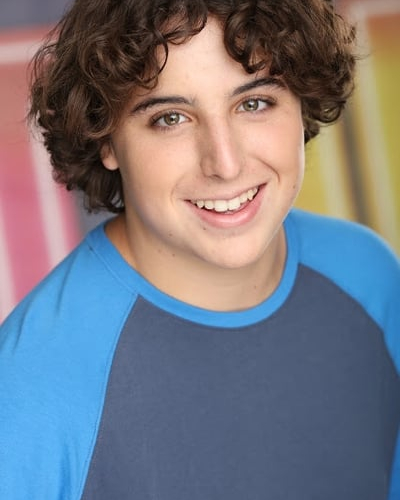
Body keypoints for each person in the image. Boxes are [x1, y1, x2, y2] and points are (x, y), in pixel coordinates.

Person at [0, 0, 399, 498]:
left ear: (302, 101)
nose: (225, 164)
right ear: (106, 138)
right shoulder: (30, 386)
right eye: (171, 118)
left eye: (254, 103)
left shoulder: (369, 278)